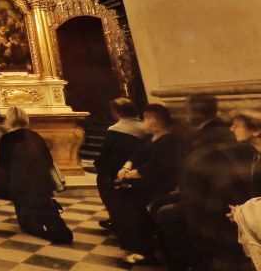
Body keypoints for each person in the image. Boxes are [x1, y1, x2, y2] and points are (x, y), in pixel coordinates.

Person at [159, 107, 261, 271]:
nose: (231, 129)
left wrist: (242, 212)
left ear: (255, 130)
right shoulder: (248, 152)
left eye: (236, 125)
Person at [109, 103, 182, 265]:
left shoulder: (168, 140)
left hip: (161, 185)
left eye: (145, 119)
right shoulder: (149, 138)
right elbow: (137, 155)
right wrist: (125, 166)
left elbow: (157, 167)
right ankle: (136, 246)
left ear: (154, 120)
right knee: (124, 203)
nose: (143, 122)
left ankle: (146, 252)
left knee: (136, 209)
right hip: (145, 182)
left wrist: (130, 174)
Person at [0, 106, 72, 244]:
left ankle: (32, 227)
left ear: (9, 120)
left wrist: (4, 184)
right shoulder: (35, 135)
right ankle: (60, 231)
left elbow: (3, 164)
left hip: (19, 181)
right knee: (44, 205)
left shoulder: (7, 139)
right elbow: (48, 160)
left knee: (23, 205)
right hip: (41, 179)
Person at [94, 97, 146, 230]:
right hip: (141, 168)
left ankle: (116, 218)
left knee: (102, 180)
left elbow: (105, 154)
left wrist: (99, 165)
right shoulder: (145, 127)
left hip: (119, 171)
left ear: (116, 112)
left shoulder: (115, 129)